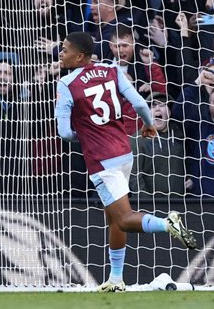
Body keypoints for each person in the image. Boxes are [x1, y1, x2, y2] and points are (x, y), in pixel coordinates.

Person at [55, 31, 196, 292]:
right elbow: (141, 103)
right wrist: (149, 125)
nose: (60, 53)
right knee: (114, 218)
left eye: (64, 49)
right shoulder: (111, 69)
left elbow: (64, 133)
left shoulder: (66, 84)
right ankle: (116, 279)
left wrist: (82, 135)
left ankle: (168, 224)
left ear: (80, 56)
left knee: (123, 218)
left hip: (101, 160)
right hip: (124, 152)